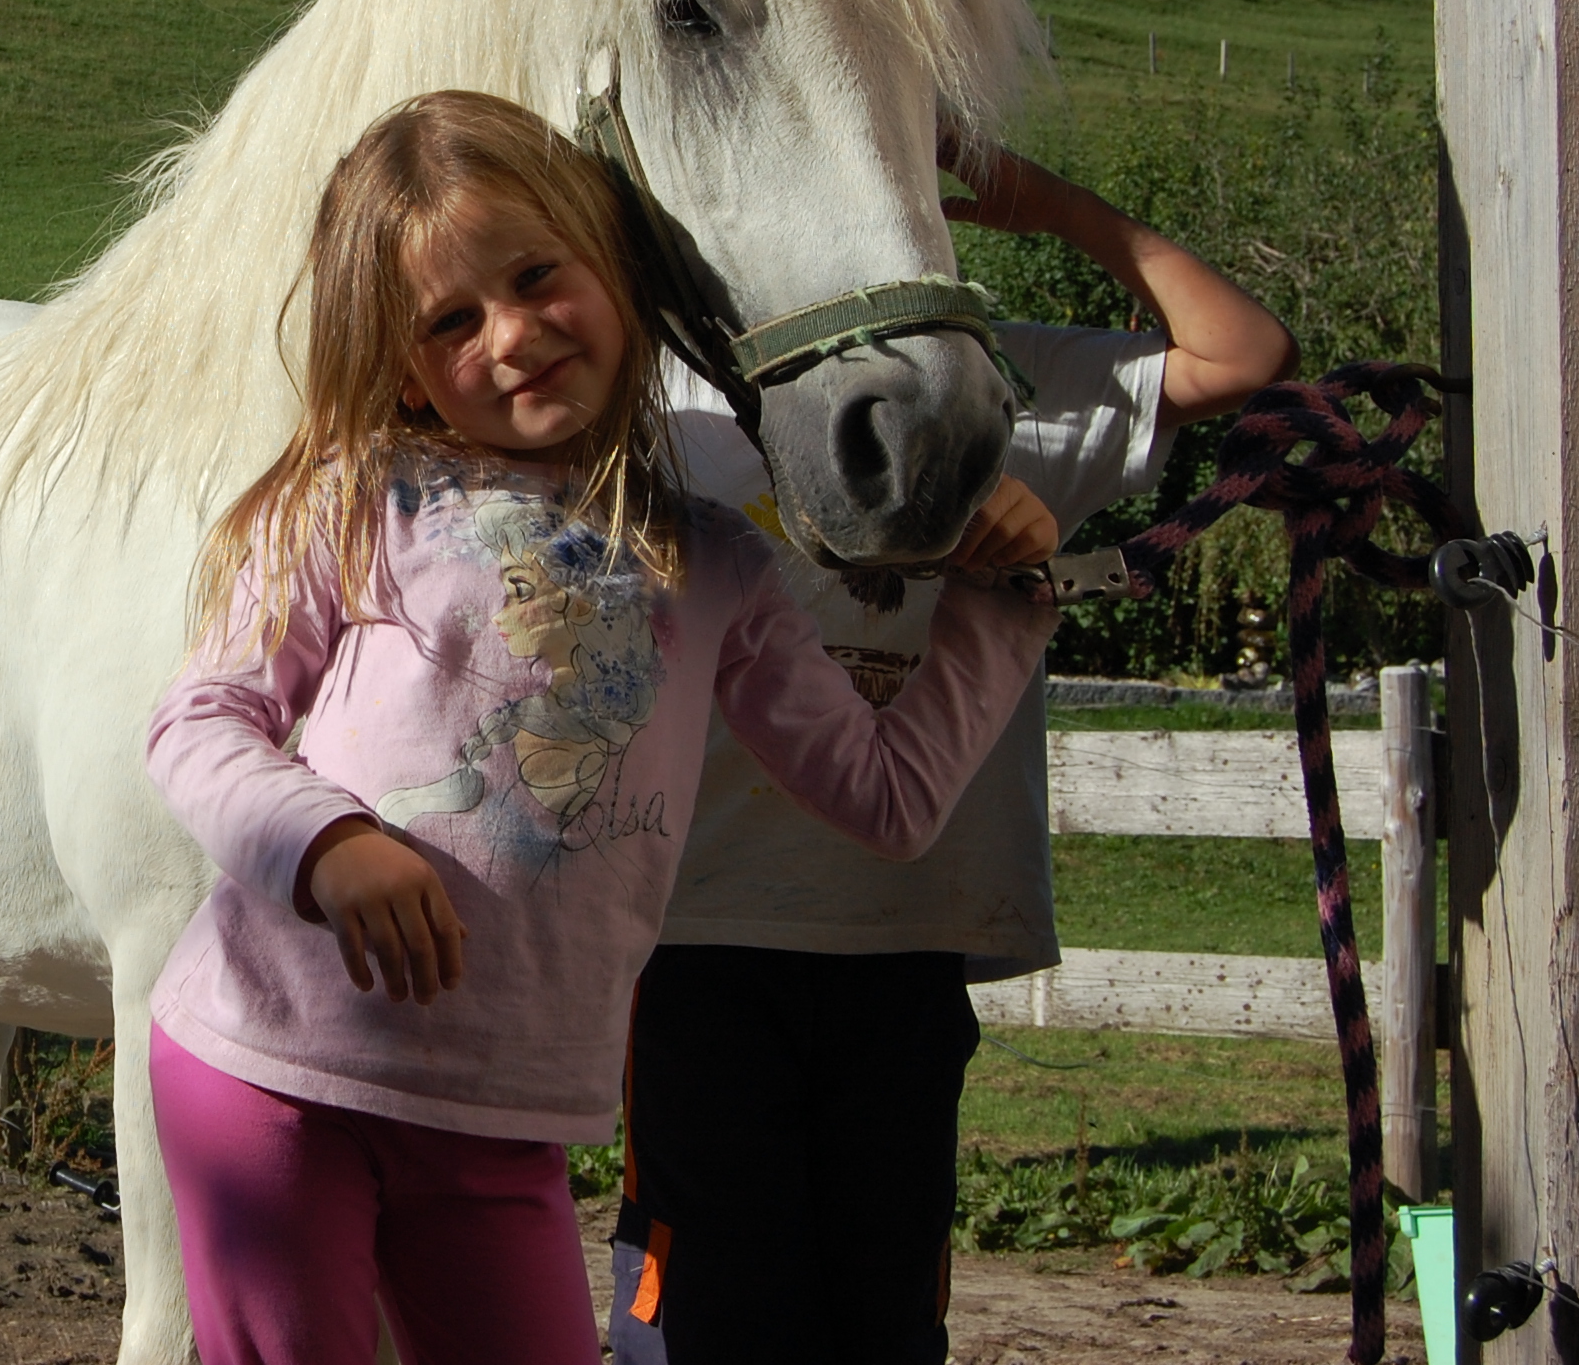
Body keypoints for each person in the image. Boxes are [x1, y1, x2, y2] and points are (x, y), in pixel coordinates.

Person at [139, 90, 1064, 1365]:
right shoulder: (349, 502)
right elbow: (198, 722)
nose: (510, 335)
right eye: (449, 321)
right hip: (271, 1075)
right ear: (401, 363)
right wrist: (324, 840)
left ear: (609, 265)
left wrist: (993, 600)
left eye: (535, 277)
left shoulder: (717, 561)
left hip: (505, 1121)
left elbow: (888, 803)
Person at [610, 140, 1296, 1365]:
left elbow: (1240, 356)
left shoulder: (1015, 379)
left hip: (906, 930)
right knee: (710, 1297)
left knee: (885, 1306)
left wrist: (1051, 204)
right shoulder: (678, 391)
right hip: (696, 930)